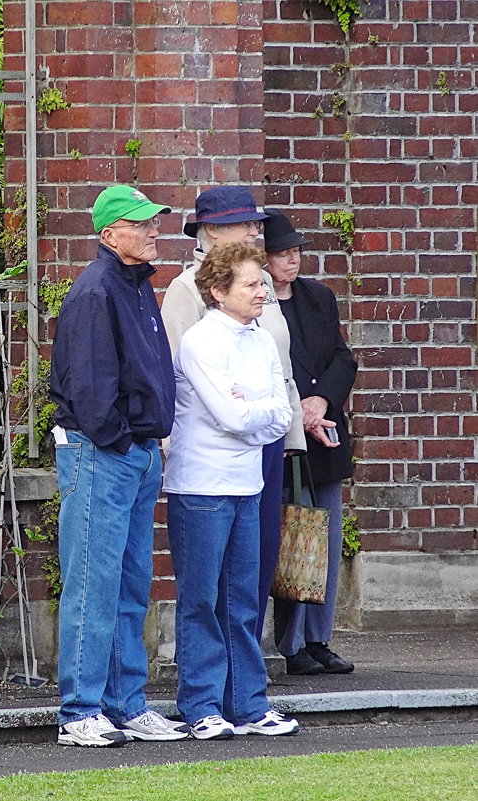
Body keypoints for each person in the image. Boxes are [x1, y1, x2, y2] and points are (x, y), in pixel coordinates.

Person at [49, 185, 189, 747]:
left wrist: (143, 445)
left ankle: (126, 703)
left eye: (155, 222)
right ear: (110, 234)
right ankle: (80, 710)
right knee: (92, 584)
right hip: (100, 452)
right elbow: (88, 388)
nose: (154, 230)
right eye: (142, 223)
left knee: (131, 584)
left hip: (132, 454)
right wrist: (123, 442)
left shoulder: (133, 287)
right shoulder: (97, 291)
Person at [164, 241, 300, 740]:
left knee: (244, 598)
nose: (263, 291)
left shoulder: (261, 340)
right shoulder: (201, 342)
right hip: (201, 484)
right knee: (200, 597)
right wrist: (256, 409)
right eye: (251, 284)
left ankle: (247, 703)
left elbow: (278, 415)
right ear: (219, 292)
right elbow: (231, 415)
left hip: (248, 483)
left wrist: (256, 408)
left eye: (262, 282)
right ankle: (201, 704)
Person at [160, 185, 307, 641]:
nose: (255, 231)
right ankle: (212, 678)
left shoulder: (260, 284)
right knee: (211, 578)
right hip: (214, 451)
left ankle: (246, 673)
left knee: (257, 559)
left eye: (256, 224)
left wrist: (290, 433)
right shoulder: (188, 289)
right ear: (212, 231)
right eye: (245, 224)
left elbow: (281, 367)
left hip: (265, 441)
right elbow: (183, 373)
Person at [262, 209, 358, 675]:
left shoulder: (318, 297)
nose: (291, 260)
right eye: (282, 253)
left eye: (296, 251)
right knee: (292, 539)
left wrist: (322, 399)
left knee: (326, 538)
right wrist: (299, 406)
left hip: (324, 437)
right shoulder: (257, 304)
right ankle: (292, 644)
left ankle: (320, 638)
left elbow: (342, 357)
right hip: (287, 440)